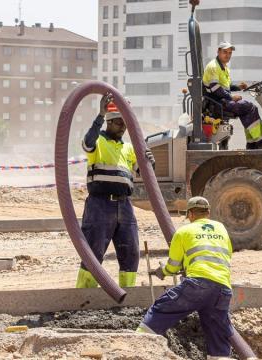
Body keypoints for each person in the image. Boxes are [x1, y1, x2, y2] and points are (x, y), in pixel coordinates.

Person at [137, 196, 236, 359]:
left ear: (190, 214)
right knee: (217, 334)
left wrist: (163, 271)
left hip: (198, 285)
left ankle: (136, 345)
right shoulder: (221, 228)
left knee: (161, 310)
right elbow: (220, 255)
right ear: (208, 213)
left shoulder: (183, 232)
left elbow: (173, 265)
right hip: (223, 289)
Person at [75, 94, 155, 288]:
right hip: (100, 205)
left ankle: (126, 294)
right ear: (109, 123)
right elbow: (87, 142)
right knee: (93, 252)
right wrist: (100, 115)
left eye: (124, 124)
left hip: (125, 205)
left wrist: (149, 163)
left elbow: (145, 174)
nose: (122, 128)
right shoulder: (99, 142)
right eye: (118, 123)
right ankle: (84, 297)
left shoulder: (128, 148)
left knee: (131, 252)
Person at [202, 41, 262, 150]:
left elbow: (226, 87)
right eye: (225, 52)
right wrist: (232, 97)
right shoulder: (213, 66)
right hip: (217, 103)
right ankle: (261, 141)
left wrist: (239, 87)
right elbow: (215, 88)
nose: (227, 55)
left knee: (247, 110)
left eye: (229, 53)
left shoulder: (224, 67)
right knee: (249, 107)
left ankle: (252, 143)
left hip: (221, 101)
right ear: (218, 51)